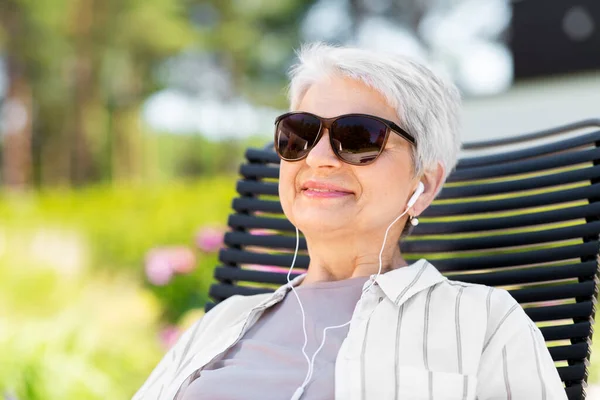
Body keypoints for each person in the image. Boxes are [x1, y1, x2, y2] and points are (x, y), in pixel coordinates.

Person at [133, 43, 567, 400]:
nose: (318, 159)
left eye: (359, 137)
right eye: (299, 134)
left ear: (426, 184)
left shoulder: (483, 321)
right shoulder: (224, 322)